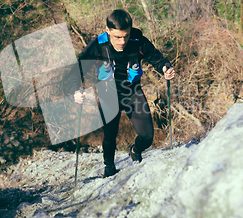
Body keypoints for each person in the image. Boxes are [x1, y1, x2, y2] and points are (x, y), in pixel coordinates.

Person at [69, 9, 175, 178]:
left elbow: (156, 57)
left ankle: (135, 149)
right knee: (110, 135)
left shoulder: (137, 40)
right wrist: (76, 89)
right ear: (108, 30)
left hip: (132, 92)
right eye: (118, 37)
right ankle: (109, 165)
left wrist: (165, 68)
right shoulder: (98, 45)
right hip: (107, 94)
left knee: (147, 136)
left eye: (125, 36)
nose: (122, 41)